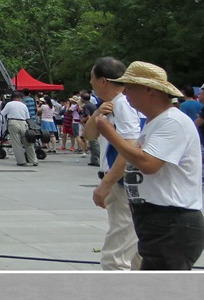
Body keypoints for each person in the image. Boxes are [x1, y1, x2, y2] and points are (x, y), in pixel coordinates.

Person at [94, 61, 204, 270]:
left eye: (130, 87)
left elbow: (148, 164)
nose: (125, 92)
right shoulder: (155, 121)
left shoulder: (172, 122)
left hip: (172, 222)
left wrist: (110, 133)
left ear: (149, 90)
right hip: (156, 221)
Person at [85, 56, 143, 271]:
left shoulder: (123, 105)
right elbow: (89, 135)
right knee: (136, 253)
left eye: (92, 78)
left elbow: (130, 147)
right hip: (125, 182)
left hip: (122, 183)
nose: (90, 82)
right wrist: (98, 115)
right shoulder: (115, 105)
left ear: (103, 81)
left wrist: (106, 183)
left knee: (115, 257)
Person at [2, 91, 37, 167]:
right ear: (20, 97)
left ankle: (21, 161)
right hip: (23, 123)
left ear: (12, 97)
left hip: (13, 122)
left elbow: (2, 113)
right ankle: (34, 160)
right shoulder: (24, 105)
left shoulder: (9, 104)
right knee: (28, 143)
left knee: (16, 143)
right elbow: (28, 117)